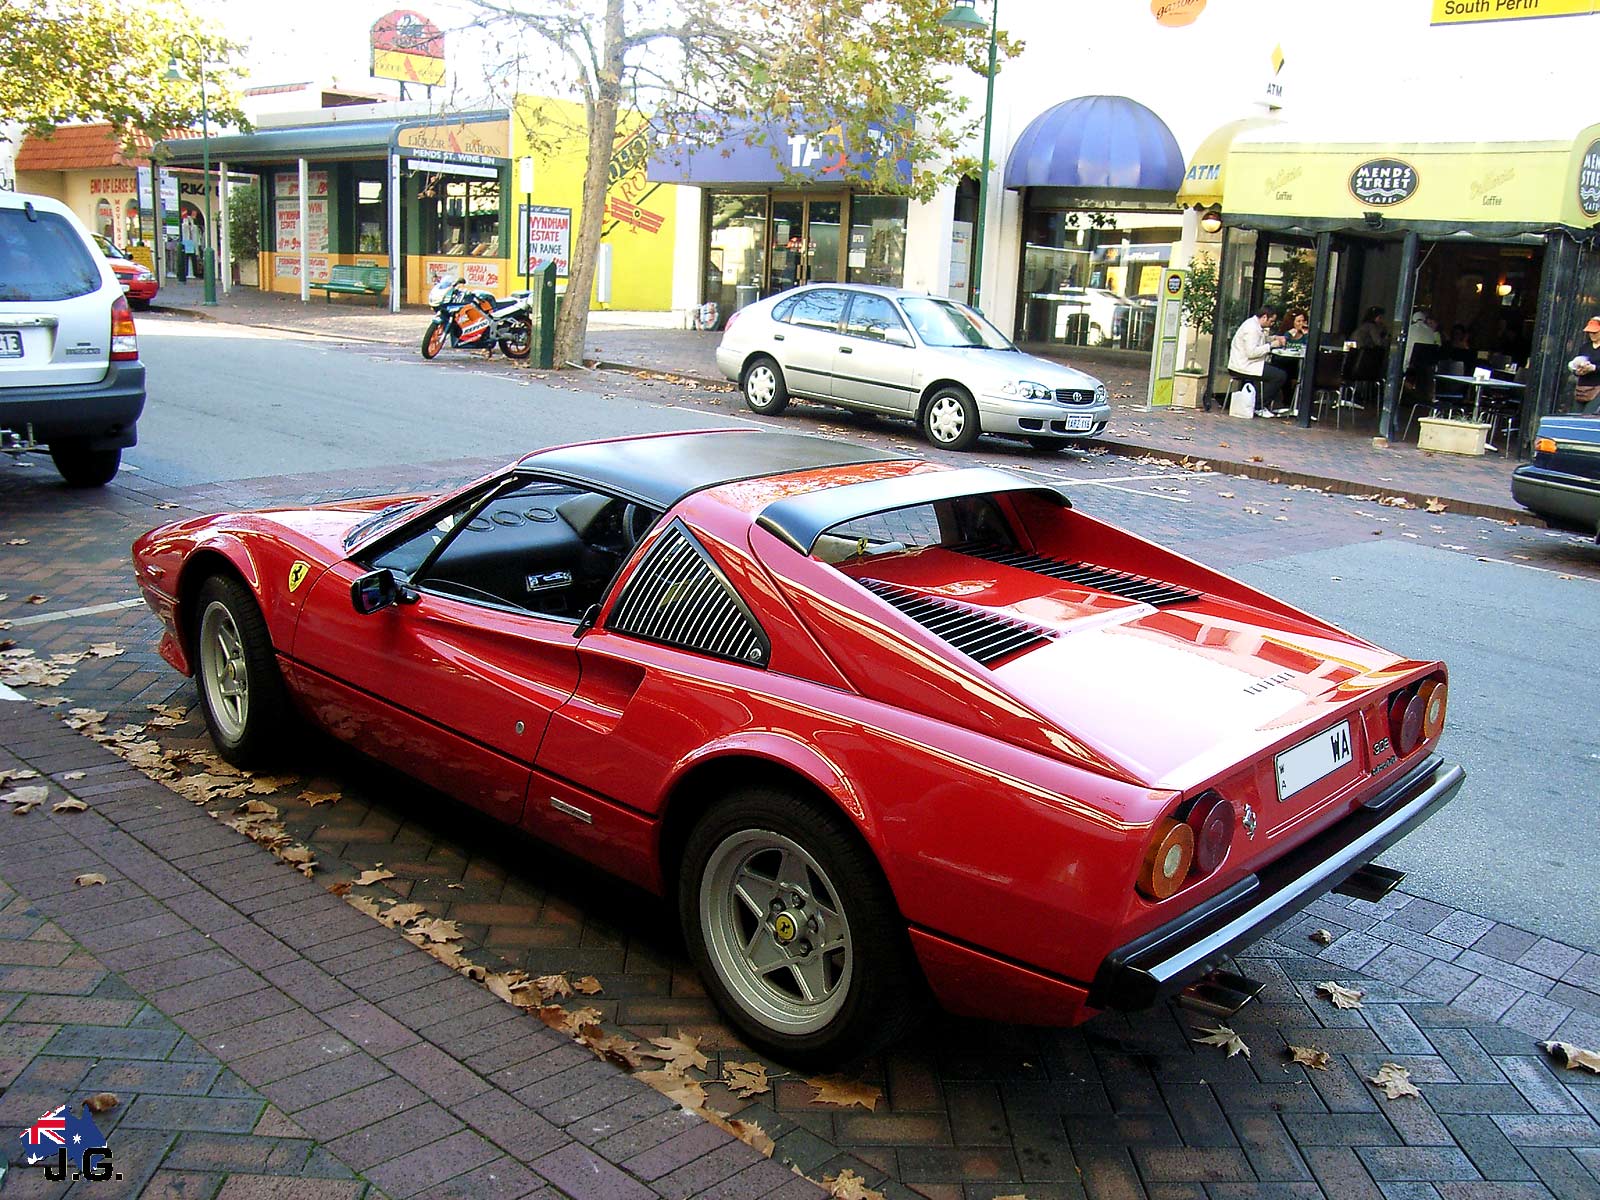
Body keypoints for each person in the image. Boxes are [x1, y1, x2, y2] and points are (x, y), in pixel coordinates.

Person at [1227, 305, 1288, 416]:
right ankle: (1259, 406)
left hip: (1248, 364)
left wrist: (1274, 338)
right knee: (1279, 376)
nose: (1272, 324)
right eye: (1271, 321)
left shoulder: (1255, 325)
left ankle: (1260, 404)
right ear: (1264, 317)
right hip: (1244, 365)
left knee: (1276, 372)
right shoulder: (1251, 329)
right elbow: (1251, 353)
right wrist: (1271, 346)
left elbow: (1260, 340)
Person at [1569, 315, 1600, 415]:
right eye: (1590, 332)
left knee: (1588, 417)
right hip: (1582, 389)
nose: (1592, 334)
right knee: (1576, 417)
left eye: (1595, 332)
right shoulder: (1585, 347)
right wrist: (1577, 370)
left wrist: (1593, 368)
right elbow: (1576, 362)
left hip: (1597, 388)